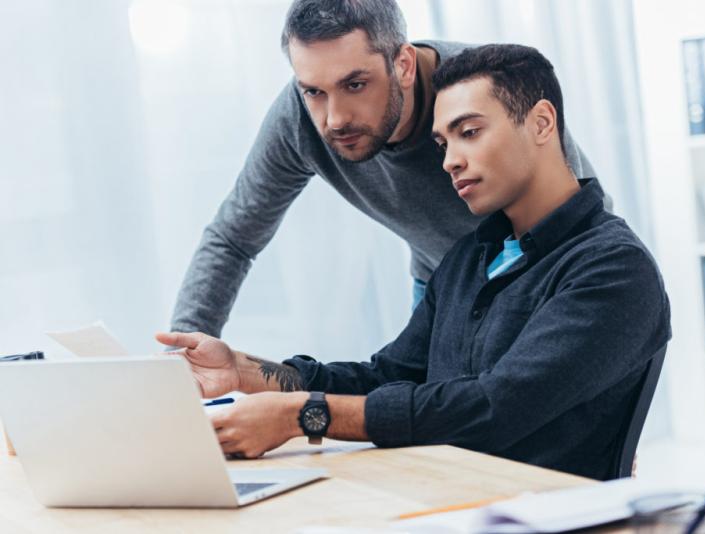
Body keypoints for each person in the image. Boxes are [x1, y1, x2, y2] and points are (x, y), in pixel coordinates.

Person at [157, 43, 671, 481]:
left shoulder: (612, 270)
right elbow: (389, 376)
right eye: (443, 142)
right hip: (438, 500)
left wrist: (305, 415)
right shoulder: (470, 259)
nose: (448, 160)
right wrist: (247, 373)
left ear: (541, 123)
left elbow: (491, 409)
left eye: (469, 133)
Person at [169, 0, 602, 337]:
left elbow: (580, 215)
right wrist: (184, 359)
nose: (334, 118)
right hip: (441, 282)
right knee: (428, 438)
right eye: (314, 90)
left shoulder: (487, 89)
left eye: (355, 85)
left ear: (404, 65)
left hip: (545, 273)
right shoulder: (298, 119)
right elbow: (232, 239)